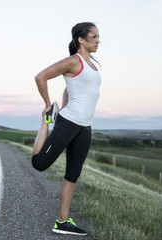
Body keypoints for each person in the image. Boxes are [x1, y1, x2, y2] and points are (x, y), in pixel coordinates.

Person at [32, 22, 101, 236]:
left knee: (73, 174)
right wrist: (47, 105)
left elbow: (71, 86)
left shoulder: (92, 66)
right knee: (40, 163)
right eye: (94, 36)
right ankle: (46, 121)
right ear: (81, 39)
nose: (98, 40)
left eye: (99, 37)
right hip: (68, 123)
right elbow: (40, 77)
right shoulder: (74, 60)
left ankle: (62, 221)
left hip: (85, 128)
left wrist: (64, 103)